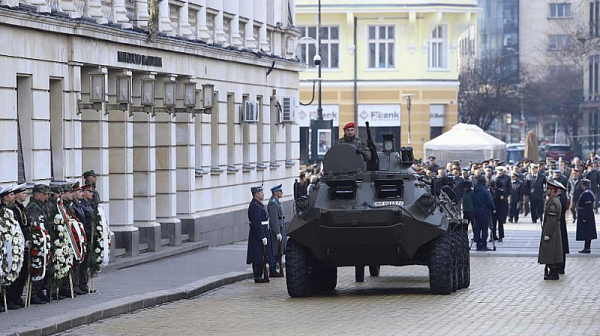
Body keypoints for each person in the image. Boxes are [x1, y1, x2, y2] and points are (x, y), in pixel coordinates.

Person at [25, 184, 52, 304]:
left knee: (44, 266)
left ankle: (40, 291)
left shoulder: (43, 206)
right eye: (45, 194)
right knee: (37, 266)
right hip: (37, 242)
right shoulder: (33, 207)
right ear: (37, 195)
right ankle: (34, 293)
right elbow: (35, 225)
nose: (47, 197)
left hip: (45, 240)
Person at [6, 184, 31, 309]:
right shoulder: (13, 209)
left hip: (23, 243)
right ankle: (11, 298)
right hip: (16, 243)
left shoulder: (21, 207)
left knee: (22, 272)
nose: (26, 195)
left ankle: (17, 297)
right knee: (15, 271)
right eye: (23, 193)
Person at [538, 180, 564, 281]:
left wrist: (547, 233)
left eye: (548, 189)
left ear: (553, 190)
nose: (546, 190)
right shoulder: (552, 200)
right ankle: (552, 272)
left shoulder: (553, 202)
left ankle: (553, 273)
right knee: (551, 251)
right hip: (553, 229)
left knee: (550, 251)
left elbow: (551, 219)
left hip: (552, 231)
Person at [247, 186, 269, 283]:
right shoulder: (254, 206)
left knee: (261, 255)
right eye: (261, 192)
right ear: (256, 194)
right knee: (257, 256)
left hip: (262, 231)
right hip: (257, 235)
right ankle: (257, 276)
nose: (263, 194)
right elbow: (256, 223)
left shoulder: (259, 205)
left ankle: (260, 275)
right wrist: (262, 236)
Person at [472, 176, 495, 251]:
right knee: (485, 229)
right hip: (484, 211)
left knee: (477, 229)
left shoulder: (474, 191)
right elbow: (490, 201)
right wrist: (493, 208)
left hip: (475, 211)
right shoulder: (485, 191)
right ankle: (484, 245)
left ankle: (478, 245)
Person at [267, 184, 285, 278]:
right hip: (277, 228)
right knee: (275, 249)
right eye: (280, 191)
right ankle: (272, 269)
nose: (282, 193)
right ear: (276, 193)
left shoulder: (277, 202)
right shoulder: (273, 203)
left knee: (279, 249)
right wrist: (277, 232)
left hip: (280, 227)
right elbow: (273, 219)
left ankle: (275, 268)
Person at [576, 179, 597, 253]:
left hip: (586, 214)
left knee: (587, 232)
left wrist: (585, 217)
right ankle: (586, 247)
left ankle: (587, 248)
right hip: (587, 214)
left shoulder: (586, 193)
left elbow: (588, 206)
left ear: (582, 185)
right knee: (587, 232)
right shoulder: (589, 191)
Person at [490, 167, 510, 241]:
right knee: (493, 224)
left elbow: (502, 201)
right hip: (493, 209)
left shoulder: (501, 191)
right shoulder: (490, 192)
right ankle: (493, 236)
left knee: (500, 223)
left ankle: (501, 236)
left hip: (500, 209)